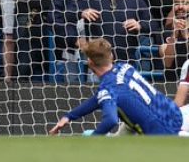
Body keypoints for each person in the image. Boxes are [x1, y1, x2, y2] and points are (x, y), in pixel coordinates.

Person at [50, 38, 187, 136]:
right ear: (112, 55)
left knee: (89, 135)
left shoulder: (109, 88)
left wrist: (93, 140)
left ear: (90, 62)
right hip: (173, 114)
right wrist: (69, 116)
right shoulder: (125, 67)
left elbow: (110, 120)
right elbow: (99, 98)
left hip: (159, 133)